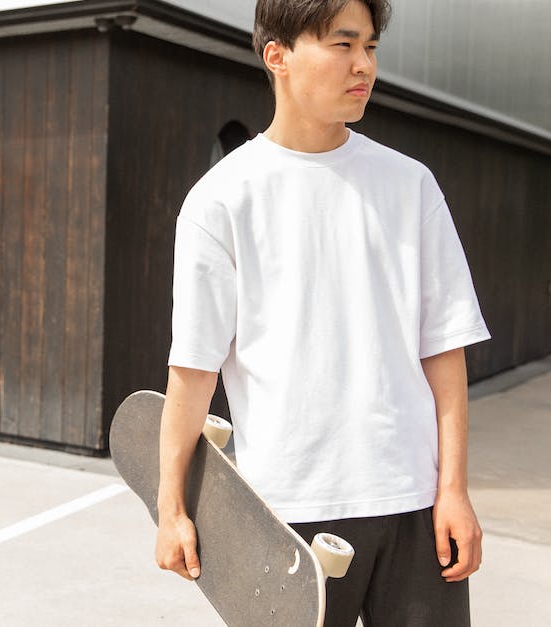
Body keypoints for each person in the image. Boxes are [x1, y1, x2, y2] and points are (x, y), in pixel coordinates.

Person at [154, 0, 490, 624]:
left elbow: (443, 349)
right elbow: (194, 367)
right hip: (286, 509)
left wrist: (454, 491)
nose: (364, 65)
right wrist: (171, 504)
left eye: (370, 47)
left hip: (411, 504)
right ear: (276, 55)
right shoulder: (222, 200)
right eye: (343, 45)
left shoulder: (409, 185)